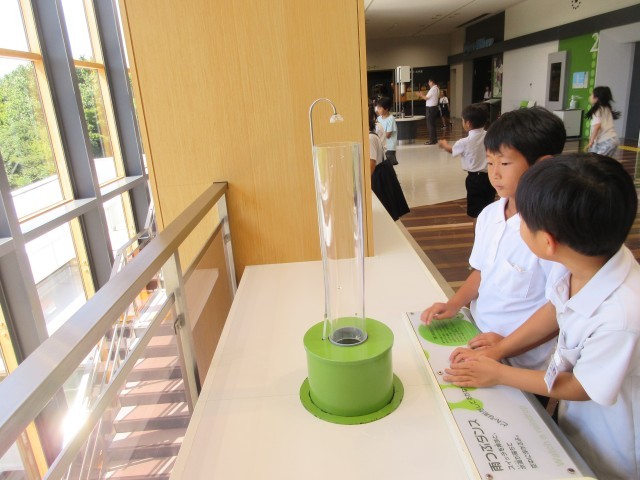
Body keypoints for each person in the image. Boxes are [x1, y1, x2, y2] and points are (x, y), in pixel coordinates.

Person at [445, 153, 639, 480]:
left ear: (547, 242)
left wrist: (498, 373)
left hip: (611, 447)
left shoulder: (620, 316)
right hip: (575, 418)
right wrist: (499, 349)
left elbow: (582, 386)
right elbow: (555, 310)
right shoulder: (591, 259)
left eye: (524, 220)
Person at [421, 107, 567, 373]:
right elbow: (481, 272)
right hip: (476, 336)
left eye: (505, 163)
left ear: (542, 165)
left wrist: (504, 347)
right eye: (490, 162)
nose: (495, 173)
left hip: (520, 362)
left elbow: (558, 311)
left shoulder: (553, 232)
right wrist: (454, 304)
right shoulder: (489, 215)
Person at [437, 104, 495, 220]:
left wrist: (444, 145)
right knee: (488, 208)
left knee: (476, 213)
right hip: (490, 177)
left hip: (474, 180)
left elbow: (452, 150)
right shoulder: (490, 136)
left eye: (463, 120)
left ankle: (477, 231)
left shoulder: (464, 142)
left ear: (467, 123)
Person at [585, 85, 620, 156]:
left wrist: (591, 141)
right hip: (613, 139)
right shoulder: (607, 108)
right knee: (604, 161)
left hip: (605, 141)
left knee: (595, 160)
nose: (590, 97)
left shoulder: (597, 110)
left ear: (596, 98)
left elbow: (597, 126)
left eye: (591, 95)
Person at [375, 97, 398, 165]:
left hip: (389, 147)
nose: (378, 110)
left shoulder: (391, 119)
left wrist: (378, 134)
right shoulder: (378, 119)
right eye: (377, 108)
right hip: (382, 146)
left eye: (380, 108)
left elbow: (388, 135)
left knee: (389, 164)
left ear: (386, 109)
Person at [418, 78, 439, 145]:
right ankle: (434, 140)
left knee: (430, 125)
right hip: (434, 108)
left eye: (429, 82)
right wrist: (422, 95)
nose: (428, 83)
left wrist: (420, 95)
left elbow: (426, 98)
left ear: (432, 82)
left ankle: (432, 140)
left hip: (430, 108)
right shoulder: (437, 88)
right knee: (432, 124)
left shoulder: (433, 89)